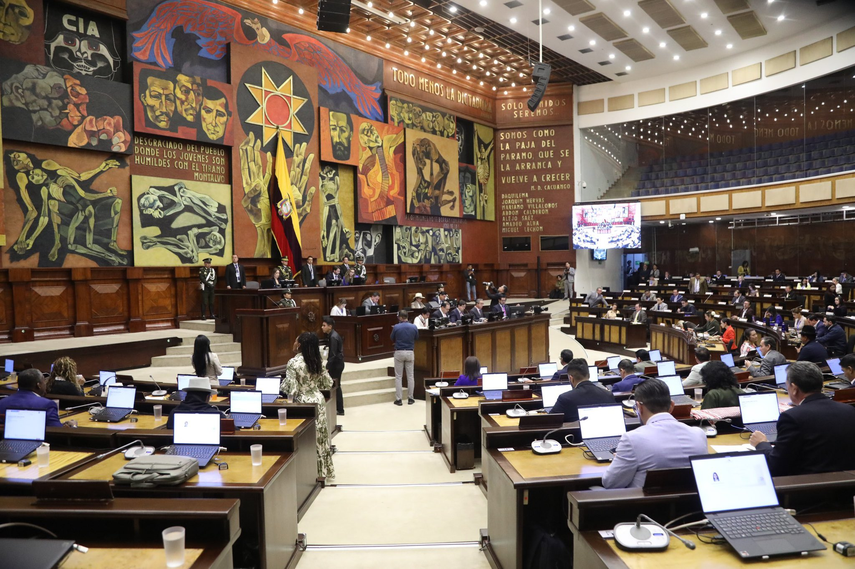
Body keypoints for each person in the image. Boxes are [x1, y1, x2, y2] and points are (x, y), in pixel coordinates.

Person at [749, 362, 855, 476]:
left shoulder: (792, 417)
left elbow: (775, 466)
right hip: (846, 487)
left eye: (787, 385)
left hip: (806, 488)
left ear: (794, 388)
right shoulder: (849, 411)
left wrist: (761, 444)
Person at [601, 378, 708, 489]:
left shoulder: (632, 439)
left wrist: (618, 460)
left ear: (639, 407)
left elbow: (610, 483)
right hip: (691, 505)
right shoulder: (699, 434)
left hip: (645, 505)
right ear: (671, 406)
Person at [282, 332, 335, 479]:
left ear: (299, 344)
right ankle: (323, 472)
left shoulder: (294, 363)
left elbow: (291, 389)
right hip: (318, 400)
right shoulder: (317, 361)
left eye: (295, 340)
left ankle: (307, 473)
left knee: (306, 438)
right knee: (321, 437)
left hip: (303, 402)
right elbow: (328, 383)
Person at [551, 359, 615, 422]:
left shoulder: (565, 398)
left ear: (571, 379)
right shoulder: (608, 394)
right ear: (589, 375)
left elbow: (550, 421)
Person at [390, 310, 419, 405]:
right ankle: (411, 398)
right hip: (410, 352)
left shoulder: (396, 327)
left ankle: (399, 399)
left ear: (401, 317)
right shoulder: (413, 327)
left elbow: (392, 338)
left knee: (398, 377)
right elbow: (417, 337)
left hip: (399, 352)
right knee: (410, 376)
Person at [322, 316, 345, 416]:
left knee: (336, 386)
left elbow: (333, 354)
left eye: (324, 325)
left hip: (336, 365)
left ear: (330, 326)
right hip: (337, 364)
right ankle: (338, 408)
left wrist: (327, 366)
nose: (322, 327)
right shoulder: (332, 335)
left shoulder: (333, 337)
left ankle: (340, 409)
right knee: (335, 386)